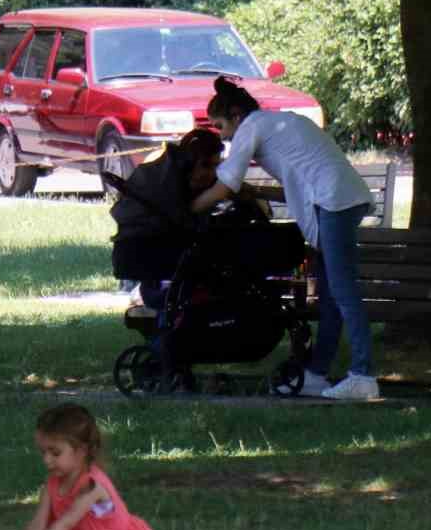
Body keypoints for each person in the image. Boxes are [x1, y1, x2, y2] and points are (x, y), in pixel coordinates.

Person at [191, 76, 380, 401]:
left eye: (220, 126)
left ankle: (363, 375)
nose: (221, 135)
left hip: (334, 201)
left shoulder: (252, 126)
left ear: (236, 116)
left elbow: (225, 186)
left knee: (343, 291)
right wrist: (256, 192)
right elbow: (297, 185)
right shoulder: (280, 122)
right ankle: (317, 374)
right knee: (330, 296)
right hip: (340, 197)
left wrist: (190, 207)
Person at [5, 404, 159, 530]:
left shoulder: (91, 485)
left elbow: (65, 523)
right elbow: (38, 524)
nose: (47, 460)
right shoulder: (52, 483)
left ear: (81, 451)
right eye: (43, 452)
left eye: (55, 453)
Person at [109, 128, 227, 309]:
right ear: (188, 162)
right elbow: (186, 216)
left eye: (216, 167)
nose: (211, 173)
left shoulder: (173, 174)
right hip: (145, 252)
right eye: (206, 165)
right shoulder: (166, 183)